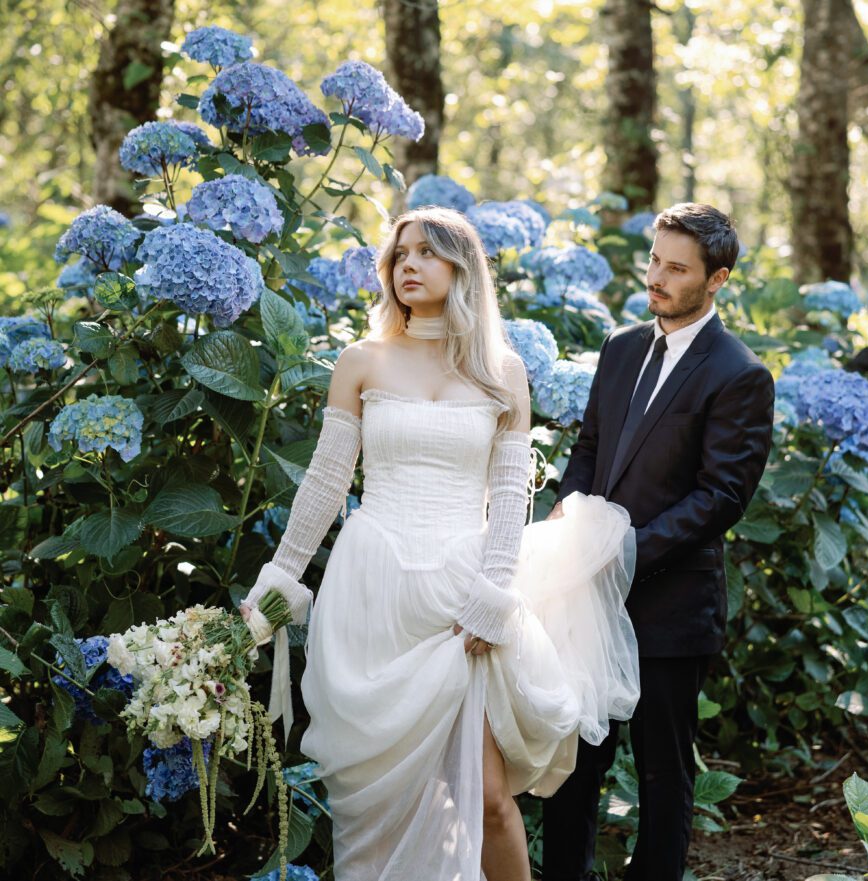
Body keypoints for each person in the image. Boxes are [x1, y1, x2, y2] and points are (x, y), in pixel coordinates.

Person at [240, 206, 640, 881]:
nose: (409, 266)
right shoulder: (361, 361)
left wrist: (496, 590)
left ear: (463, 267)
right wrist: (279, 576)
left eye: (427, 252)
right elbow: (327, 481)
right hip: (374, 586)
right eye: (399, 255)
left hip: (462, 593)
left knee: (485, 797)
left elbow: (512, 493)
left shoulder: (501, 371)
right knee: (385, 796)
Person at [542, 203, 775, 881]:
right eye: (654, 260)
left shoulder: (740, 374)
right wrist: (568, 523)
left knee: (661, 777)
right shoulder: (618, 348)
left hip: (671, 611)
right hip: (585, 599)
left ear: (718, 278)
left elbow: (721, 497)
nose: (658, 277)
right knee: (573, 764)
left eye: (677, 268)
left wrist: (625, 550)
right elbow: (588, 452)